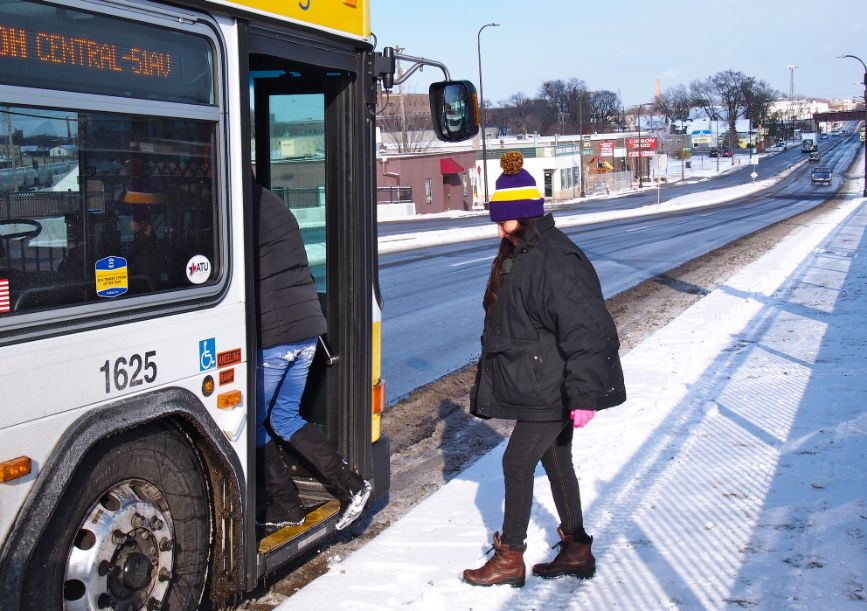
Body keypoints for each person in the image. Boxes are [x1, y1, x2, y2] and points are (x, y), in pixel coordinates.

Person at [462, 152, 626, 587]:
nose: (497, 227)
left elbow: (587, 328)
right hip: (541, 380)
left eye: (503, 219)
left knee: (517, 463)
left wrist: (585, 394)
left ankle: (510, 557)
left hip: (552, 385)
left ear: (523, 216)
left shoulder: (554, 259)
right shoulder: (526, 251)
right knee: (555, 461)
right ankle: (576, 549)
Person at [252, 175, 371, 530]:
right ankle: (352, 485)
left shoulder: (241, 208)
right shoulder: (272, 203)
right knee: (285, 418)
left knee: (252, 423)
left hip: (275, 337)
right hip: (306, 333)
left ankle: (287, 504)